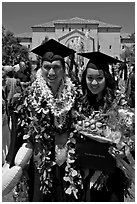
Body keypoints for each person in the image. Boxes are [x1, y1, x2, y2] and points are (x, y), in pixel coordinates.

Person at [2, 39, 83, 202]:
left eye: (56, 67)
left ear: (63, 69)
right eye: (47, 67)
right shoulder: (29, 96)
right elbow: (19, 132)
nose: (51, 73)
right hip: (40, 161)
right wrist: (11, 161)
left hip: (67, 160)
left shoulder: (75, 96)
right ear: (41, 67)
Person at [75, 51, 135, 201]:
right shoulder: (80, 103)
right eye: (90, 78)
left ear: (106, 79)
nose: (94, 83)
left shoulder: (118, 105)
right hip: (85, 171)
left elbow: (130, 136)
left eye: (99, 78)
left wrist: (124, 149)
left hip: (110, 175)